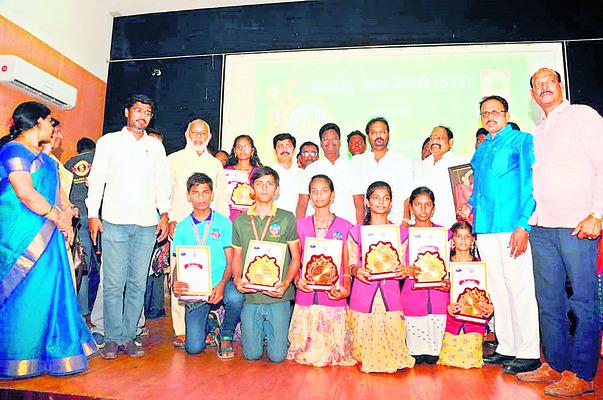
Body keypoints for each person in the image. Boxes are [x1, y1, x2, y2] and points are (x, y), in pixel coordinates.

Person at [516, 68, 602, 397]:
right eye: (537, 85)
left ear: (560, 86)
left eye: (549, 82)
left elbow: (602, 162)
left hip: (578, 224)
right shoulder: (536, 131)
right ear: (533, 96)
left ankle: (582, 372)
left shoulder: (583, 116)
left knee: (582, 300)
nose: (544, 88)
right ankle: (555, 363)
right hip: (543, 226)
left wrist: (598, 213)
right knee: (549, 300)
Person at [0, 101, 96, 378]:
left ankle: (48, 353)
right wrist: (58, 216)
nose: (53, 127)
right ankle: (18, 355)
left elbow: (54, 194)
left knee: (50, 293)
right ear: (38, 122)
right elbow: (25, 193)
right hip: (21, 236)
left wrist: (63, 219)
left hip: (49, 231)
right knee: (25, 295)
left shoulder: (41, 157)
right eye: (50, 121)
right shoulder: (13, 151)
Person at [86, 94, 171, 359]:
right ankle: (111, 338)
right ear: (127, 112)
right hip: (113, 221)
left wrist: (165, 214)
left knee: (137, 284)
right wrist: (92, 214)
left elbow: (162, 182)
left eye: (147, 112)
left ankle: (129, 336)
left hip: (147, 224)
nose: (142, 116)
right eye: (138, 110)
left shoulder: (155, 147)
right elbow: (97, 179)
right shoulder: (109, 142)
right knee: (113, 283)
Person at [469, 95, 541, 374]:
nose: (490, 117)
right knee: (497, 289)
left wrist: (524, 224)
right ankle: (507, 346)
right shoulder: (483, 148)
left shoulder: (522, 141)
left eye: (495, 111)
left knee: (519, 287)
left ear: (507, 114)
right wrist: (470, 205)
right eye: (485, 113)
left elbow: (530, 183)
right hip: (485, 227)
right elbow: (478, 189)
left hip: (512, 226)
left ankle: (529, 352)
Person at [166, 119, 229, 346]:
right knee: (181, 275)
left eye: (203, 133)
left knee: (213, 272)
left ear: (209, 136)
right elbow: (165, 192)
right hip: (183, 227)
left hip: (212, 229)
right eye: (195, 132)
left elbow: (221, 198)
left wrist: (222, 227)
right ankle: (180, 329)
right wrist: (170, 217)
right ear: (187, 134)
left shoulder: (215, 165)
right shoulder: (173, 160)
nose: (199, 136)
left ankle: (208, 320)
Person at [171, 173, 244, 358]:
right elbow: (179, 262)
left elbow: (230, 260)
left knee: (235, 297)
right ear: (188, 196)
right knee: (193, 349)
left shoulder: (224, 223)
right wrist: (175, 281)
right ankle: (211, 323)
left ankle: (225, 334)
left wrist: (220, 284)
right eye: (196, 193)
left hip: (221, 281)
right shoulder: (182, 227)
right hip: (195, 289)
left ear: (212, 194)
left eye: (205, 192)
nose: (201, 198)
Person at [232, 166, 301, 362]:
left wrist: (286, 284)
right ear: (252, 189)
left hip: (278, 294)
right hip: (250, 295)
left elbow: (296, 256)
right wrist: (237, 279)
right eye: (259, 184)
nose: (264, 189)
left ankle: (275, 336)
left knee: (278, 356)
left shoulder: (287, 218)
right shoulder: (240, 220)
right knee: (251, 355)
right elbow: (237, 257)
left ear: (276, 189)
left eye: (269, 184)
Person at [287, 174, 356, 367]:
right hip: (307, 294)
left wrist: (346, 287)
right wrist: (297, 279)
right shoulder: (299, 225)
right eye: (314, 191)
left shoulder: (345, 226)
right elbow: (295, 260)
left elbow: (347, 263)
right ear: (309, 195)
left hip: (333, 295)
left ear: (332, 195)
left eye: (324, 190)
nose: (319, 195)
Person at [347, 181, 415, 373]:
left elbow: (406, 264)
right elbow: (350, 263)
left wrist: (404, 269)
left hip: (390, 291)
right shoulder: (356, 231)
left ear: (391, 203)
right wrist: (355, 271)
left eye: (386, 198)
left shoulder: (401, 233)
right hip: (363, 289)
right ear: (367, 202)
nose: (381, 202)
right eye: (375, 198)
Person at [400, 186, 449, 364]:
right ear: (411, 208)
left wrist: (450, 281)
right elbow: (396, 266)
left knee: (437, 356)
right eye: (418, 205)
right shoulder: (402, 235)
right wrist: (404, 270)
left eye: (427, 205)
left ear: (433, 208)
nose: (423, 209)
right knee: (416, 355)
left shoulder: (446, 234)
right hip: (412, 294)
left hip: (439, 295)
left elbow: (454, 264)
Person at [438, 221, 494, 369]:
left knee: (471, 361)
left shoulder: (481, 264)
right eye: (458, 236)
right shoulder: (444, 265)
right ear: (452, 239)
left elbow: (488, 293)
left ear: (473, 239)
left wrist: (490, 307)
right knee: (447, 360)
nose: (463, 240)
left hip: (474, 319)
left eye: (467, 236)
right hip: (451, 316)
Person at [297, 123, 364, 224]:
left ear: (340, 142)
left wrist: (358, 231)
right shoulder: (311, 169)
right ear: (320, 143)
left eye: (334, 138)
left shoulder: (353, 168)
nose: (330, 142)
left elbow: (359, 204)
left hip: (347, 227)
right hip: (317, 230)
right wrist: (299, 230)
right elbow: (302, 203)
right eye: (325, 139)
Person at [352, 117, 414, 224]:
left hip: (397, 222)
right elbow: (358, 198)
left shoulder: (402, 161)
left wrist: (405, 221)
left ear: (388, 134)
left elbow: (407, 195)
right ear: (368, 137)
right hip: (369, 223)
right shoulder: (358, 161)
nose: (378, 136)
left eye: (382, 132)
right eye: (374, 132)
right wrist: (360, 225)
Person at [412, 126, 469, 228]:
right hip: (425, 226)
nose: (434, 141)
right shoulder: (420, 166)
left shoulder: (461, 163)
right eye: (432, 138)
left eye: (439, 138)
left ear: (450, 142)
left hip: (451, 225)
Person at [65, 137, 97, 316]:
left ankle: (81, 309)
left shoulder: (68, 163)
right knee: (102, 263)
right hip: (96, 218)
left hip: (76, 218)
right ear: (93, 149)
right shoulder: (97, 160)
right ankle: (100, 309)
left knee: (81, 262)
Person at [225, 134, 262, 222]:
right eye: (239, 147)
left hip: (253, 218)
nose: (243, 150)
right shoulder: (226, 172)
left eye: (247, 147)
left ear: (252, 151)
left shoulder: (260, 173)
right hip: (230, 217)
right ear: (234, 150)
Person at [271, 133, 303, 213]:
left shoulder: (302, 174)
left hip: (296, 222)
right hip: (272, 221)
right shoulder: (267, 174)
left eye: (288, 146)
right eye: (280, 146)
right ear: (275, 151)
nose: (285, 150)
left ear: (294, 150)